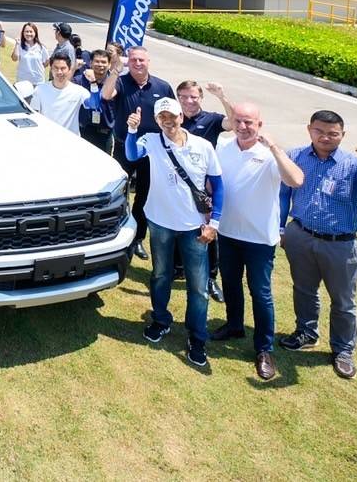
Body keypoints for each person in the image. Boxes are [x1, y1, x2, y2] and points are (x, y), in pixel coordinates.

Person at [278, 109, 357, 379]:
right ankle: (306, 332)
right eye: (319, 131)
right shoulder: (295, 156)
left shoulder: (353, 165)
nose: (325, 137)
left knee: (343, 301)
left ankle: (343, 349)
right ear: (309, 129)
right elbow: (284, 194)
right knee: (304, 290)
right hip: (301, 235)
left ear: (343, 135)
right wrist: (281, 228)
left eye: (333, 134)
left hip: (340, 244)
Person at [124, 97, 224, 370]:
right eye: (162, 118)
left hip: (194, 227)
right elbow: (132, 155)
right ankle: (160, 320)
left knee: (198, 287)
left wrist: (214, 222)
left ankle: (197, 337)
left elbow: (218, 184)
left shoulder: (203, 146)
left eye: (172, 116)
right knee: (160, 275)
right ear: (157, 121)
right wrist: (131, 131)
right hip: (160, 223)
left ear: (181, 115)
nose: (168, 122)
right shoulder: (151, 141)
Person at [211, 103, 305, 380]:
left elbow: (297, 180)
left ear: (260, 125)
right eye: (239, 121)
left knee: (260, 293)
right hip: (227, 232)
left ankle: (264, 348)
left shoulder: (269, 155)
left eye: (249, 122)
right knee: (229, 283)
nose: (243, 127)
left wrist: (275, 149)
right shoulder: (224, 147)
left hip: (259, 239)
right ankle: (234, 325)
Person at [103, 45, 173, 259]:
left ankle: (137, 239)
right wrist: (115, 70)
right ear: (128, 61)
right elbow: (106, 95)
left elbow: (173, 116)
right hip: (125, 146)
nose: (137, 63)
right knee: (119, 191)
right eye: (133, 60)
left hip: (152, 152)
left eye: (141, 60)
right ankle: (115, 233)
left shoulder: (162, 86)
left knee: (145, 195)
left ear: (148, 61)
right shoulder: (121, 83)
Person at [177, 79, 235, 301]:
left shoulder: (210, 119)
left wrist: (222, 96)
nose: (189, 101)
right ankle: (179, 267)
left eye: (193, 97)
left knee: (208, 231)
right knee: (178, 225)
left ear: (200, 98)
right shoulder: (175, 118)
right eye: (183, 97)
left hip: (204, 187)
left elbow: (232, 122)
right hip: (179, 185)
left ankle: (211, 277)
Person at [34, 54, 102, 135]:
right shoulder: (40, 89)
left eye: (63, 68)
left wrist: (93, 82)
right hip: (47, 138)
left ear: (69, 69)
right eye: (56, 68)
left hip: (71, 140)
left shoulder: (78, 91)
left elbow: (94, 105)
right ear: (51, 69)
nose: (59, 72)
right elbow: (34, 115)